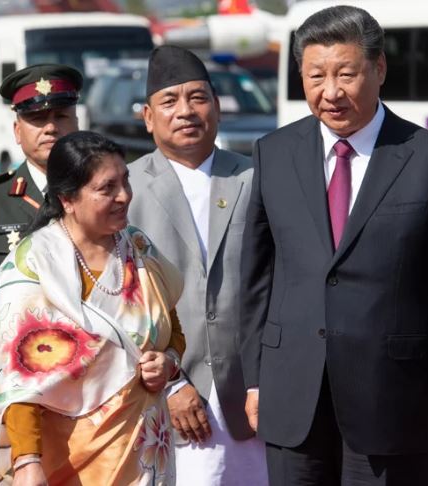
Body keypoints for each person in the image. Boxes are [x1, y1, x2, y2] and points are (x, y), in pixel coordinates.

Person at [238, 6, 428, 485]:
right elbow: (256, 278)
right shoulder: (273, 154)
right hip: (293, 392)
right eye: (316, 76)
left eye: (346, 74)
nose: (331, 92)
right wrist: (253, 379)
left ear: (378, 69)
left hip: (393, 397)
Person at [0, 131, 186, 486]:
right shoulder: (33, 265)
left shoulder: (139, 248)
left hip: (145, 453)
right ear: (67, 199)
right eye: (107, 188)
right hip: (68, 459)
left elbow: (172, 329)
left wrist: (168, 362)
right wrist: (27, 460)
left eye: (125, 181)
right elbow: (18, 380)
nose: (124, 195)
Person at [127, 45, 268, 485]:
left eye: (198, 98)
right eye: (170, 101)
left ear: (217, 107)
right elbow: (112, 303)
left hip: (253, 397)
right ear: (148, 117)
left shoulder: (256, 178)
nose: (186, 111)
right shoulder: (124, 188)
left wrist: (267, 380)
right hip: (162, 401)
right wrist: (169, 384)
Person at [0, 63, 83, 482]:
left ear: (76, 122)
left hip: (91, 384)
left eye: (61, 116)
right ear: (17, 131)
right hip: (16, 388)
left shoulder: (103, 191)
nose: (50, 127)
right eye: (36, 119)